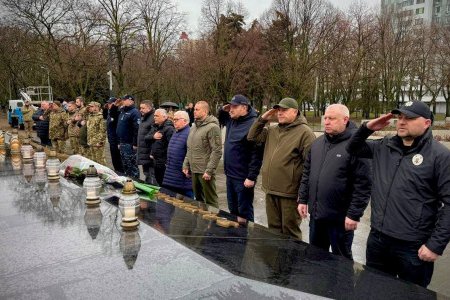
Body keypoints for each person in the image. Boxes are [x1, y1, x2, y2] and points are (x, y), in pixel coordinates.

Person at [346, 100, 450, 287]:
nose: (401, 122)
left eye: (409, 118)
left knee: (411, 295)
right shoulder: (385, 146)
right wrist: (367, 128)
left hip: (413, 247)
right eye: (400, 117)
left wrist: (435, 245)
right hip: (378, 239)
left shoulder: (440, 156)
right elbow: (352, 147)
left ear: (427, 123)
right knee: (372, 291)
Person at [297, 104, 372, 259]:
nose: (326, 122)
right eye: (325, 118)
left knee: (342, 262)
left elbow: (363, 185)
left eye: (331, 118)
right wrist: (303, 199)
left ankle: (343, 284)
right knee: (316, 258)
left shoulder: (357, 147)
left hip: (341, 220)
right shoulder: (317, 144)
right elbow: (307, 174)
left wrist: (354, 214)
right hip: (317, 216)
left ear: (345, 120)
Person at [247, 97, 315, 239]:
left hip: (289, 193)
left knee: (290, 232)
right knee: (273, 230)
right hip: (271, 189)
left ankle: (290, 261)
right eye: (278, 110)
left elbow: (311, 165)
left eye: (284, 110)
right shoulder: (273, 130)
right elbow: (252, 137)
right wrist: (263, 118)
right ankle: (276, 260)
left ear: (295, 112)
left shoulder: (305, 132)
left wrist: (303, 195)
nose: (280, 113)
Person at [219, 94, 263, 222]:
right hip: (230, 175)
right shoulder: (232, 119)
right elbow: (221, 117)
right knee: (232, 209)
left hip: (243, 178)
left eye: (234, 106)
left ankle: (246, 238)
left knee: (244, 212)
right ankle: (235, 237)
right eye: (230, 106)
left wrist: (251, 177)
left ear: (244, 108)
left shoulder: (253, 124)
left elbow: (257, 154)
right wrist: (223, 108)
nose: (231, 109)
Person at [183, 101, 222, 208]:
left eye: (197, 109)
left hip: (204, 171)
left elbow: (217, 150)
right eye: (194, 109)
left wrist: (209, 170)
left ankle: (214, 223)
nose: (194, 111)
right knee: (198, 200)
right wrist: (186, 164)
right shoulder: (194, 126)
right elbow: (190, 148)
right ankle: (202, 223)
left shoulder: (212, 127)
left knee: (211, 201)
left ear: (205, 111)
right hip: (194, 169)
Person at [162, 111, 193, 197]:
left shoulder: (189, 133)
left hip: (183, 178)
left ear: (185, 120)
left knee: (187, 205)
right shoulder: (176, 132)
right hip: (171, 175)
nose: (174, 121)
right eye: (173, 119)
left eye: (176, 119)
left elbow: (191, 154)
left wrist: (188, 169)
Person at [145, 108, 174, 185]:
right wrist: (153, 136)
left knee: (163, 183)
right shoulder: (156, 126)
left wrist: (166, 160)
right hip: (156, 160)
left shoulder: (169, 129)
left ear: (164, 117)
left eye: (157, 116)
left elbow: (170, 146)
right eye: (154, 115)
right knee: (158, 181)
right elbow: (146, 138)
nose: (154, 117)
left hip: (163, 162)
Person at [116, 95, 140, 178]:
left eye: (125, 100)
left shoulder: (134, 112)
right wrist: (119, 142)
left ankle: (135, 183)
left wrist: (135, 144)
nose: (123, 101)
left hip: (130, 144)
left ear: (131, 101)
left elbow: (137, 129)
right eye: (123, 100)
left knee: (132, 166)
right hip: (122, 142)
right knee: (125, 165)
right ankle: (128, 182)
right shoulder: (122, 111)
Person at [137, 100, 155, 184]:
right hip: (144, 152)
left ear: (149, 108)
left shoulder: (153, 118)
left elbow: (154, 136)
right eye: (140, 108)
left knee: (151, 176)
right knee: (146, 174)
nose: (140, 110)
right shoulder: (144, 117)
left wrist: (152, 153)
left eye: (143, 108)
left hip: (149, 153)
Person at [106, 97, 124, 173]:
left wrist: (119, 142)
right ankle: (117, 173)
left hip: (117, 140)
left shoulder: (118, 112)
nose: (108, 105)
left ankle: (121, 174)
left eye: (110, 103)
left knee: (119, 160)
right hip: (111, 140)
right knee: (114, 160)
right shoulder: (109, 113)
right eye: (108, 103)